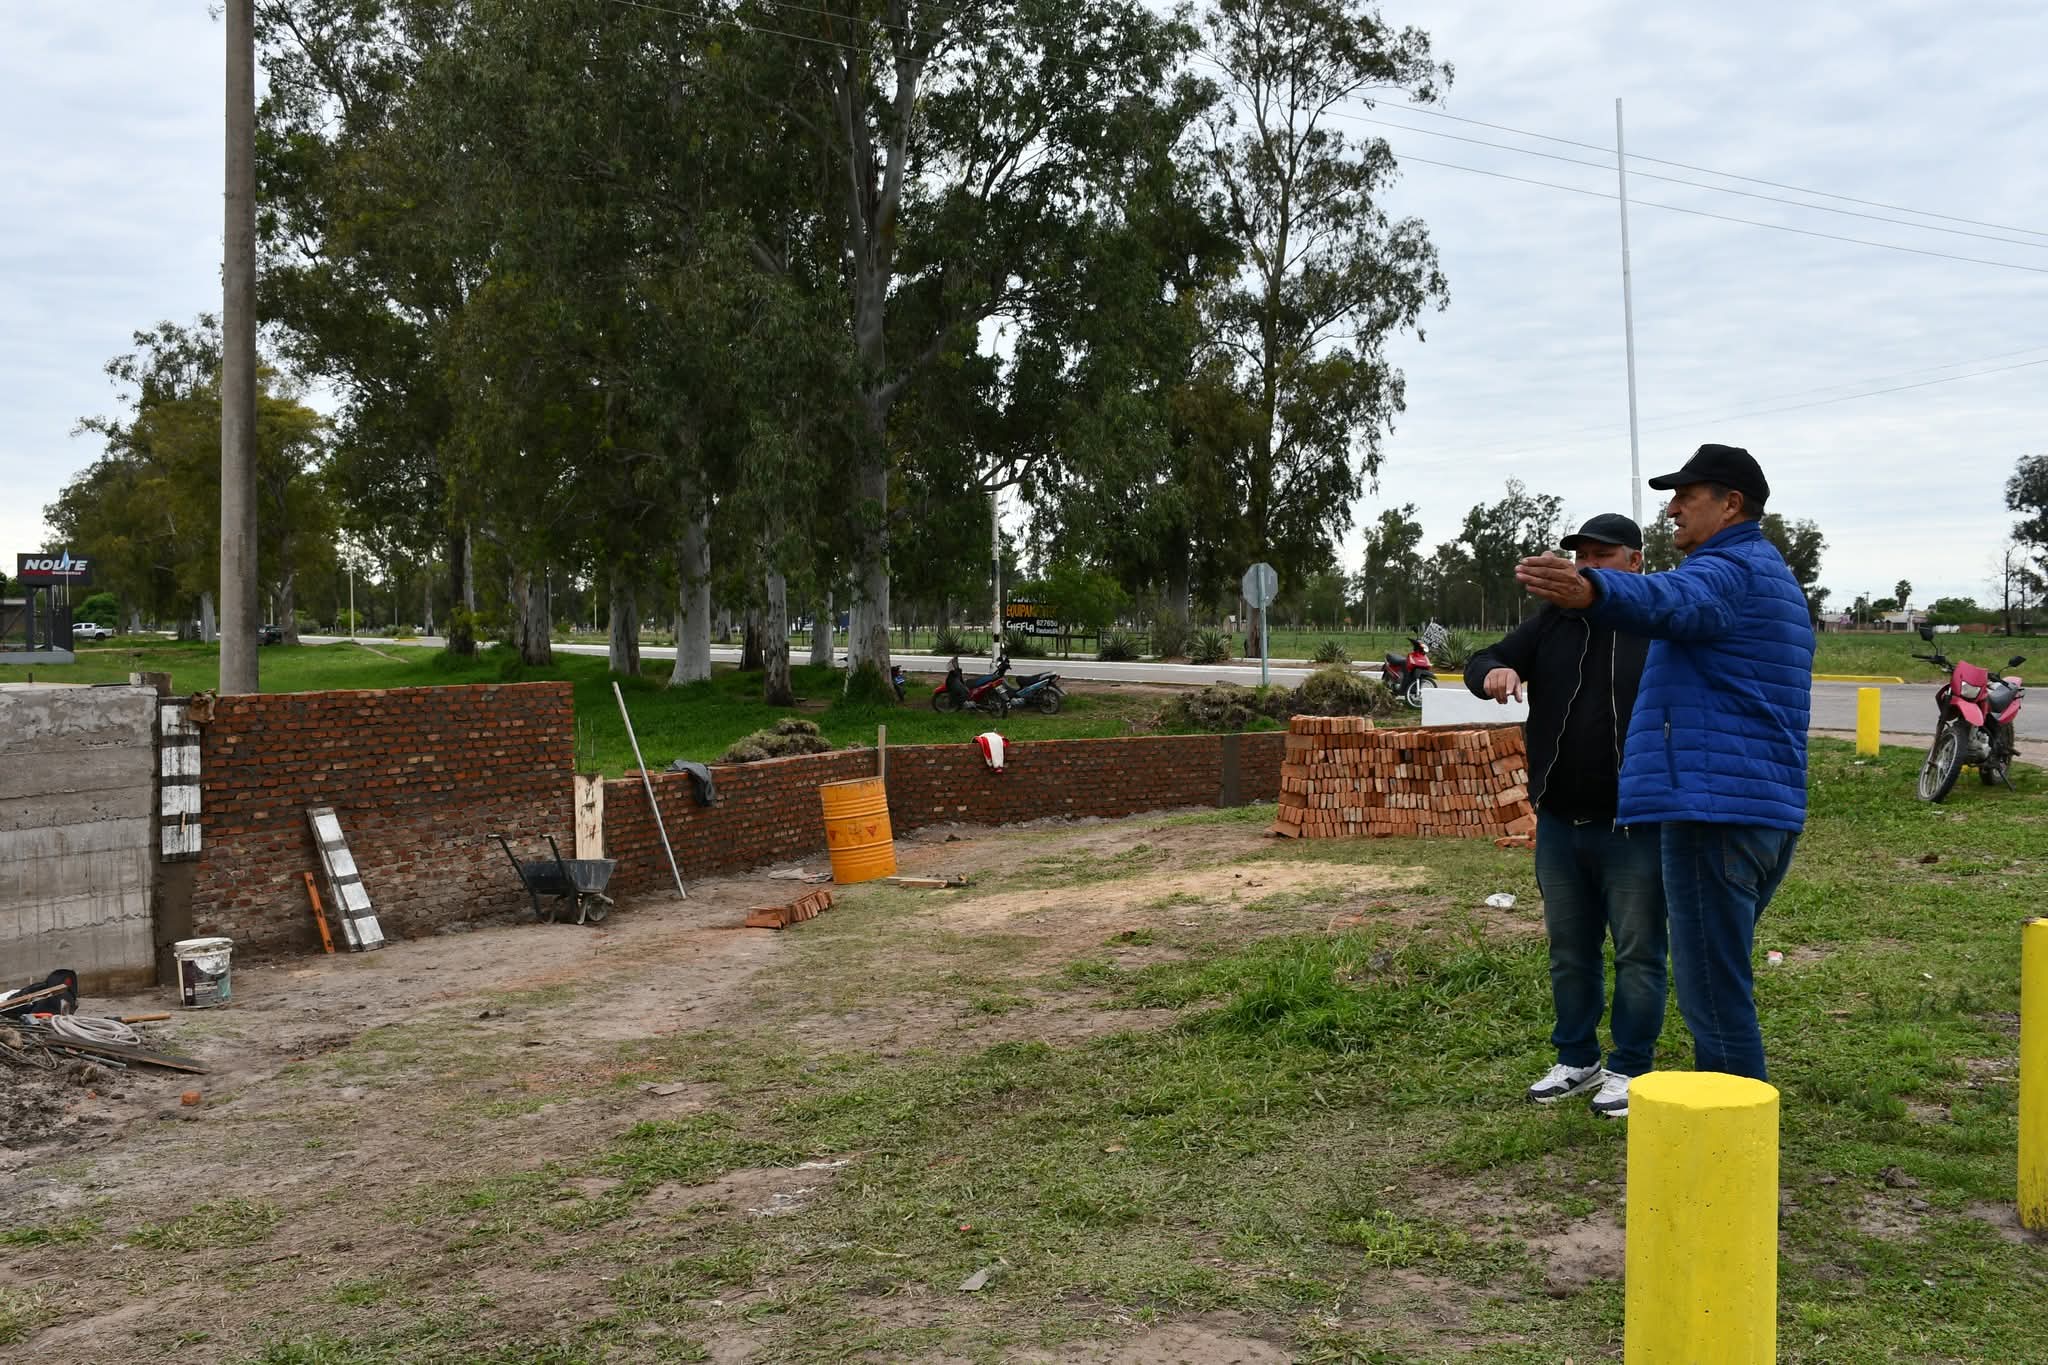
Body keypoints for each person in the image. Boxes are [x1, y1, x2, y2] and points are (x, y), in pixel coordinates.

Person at [1515, 444, 1815, 1082]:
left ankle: (1729, 1154)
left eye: (1688, 496)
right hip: (1750, 808)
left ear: (1732, 504)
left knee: (1713, 994)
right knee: (1716, 977)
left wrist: (1591, 586)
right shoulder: (1766, 572)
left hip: (1717, 814)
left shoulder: (1730, 570)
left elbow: (1673, 600)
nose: (1672, 508)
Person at [1465, 513, 1662, 1119]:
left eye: (1603, 557)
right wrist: (1493, 672)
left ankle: (1631, 1066)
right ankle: (1577, 1059)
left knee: (1638, 950)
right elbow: (1486, 657)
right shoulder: (1554, 622)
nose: (1587, 567)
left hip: (1633, 824)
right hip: (1558, 820)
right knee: (1570, 950)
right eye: (1582, 556)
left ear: (1635, 562)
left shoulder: (1654, 624)